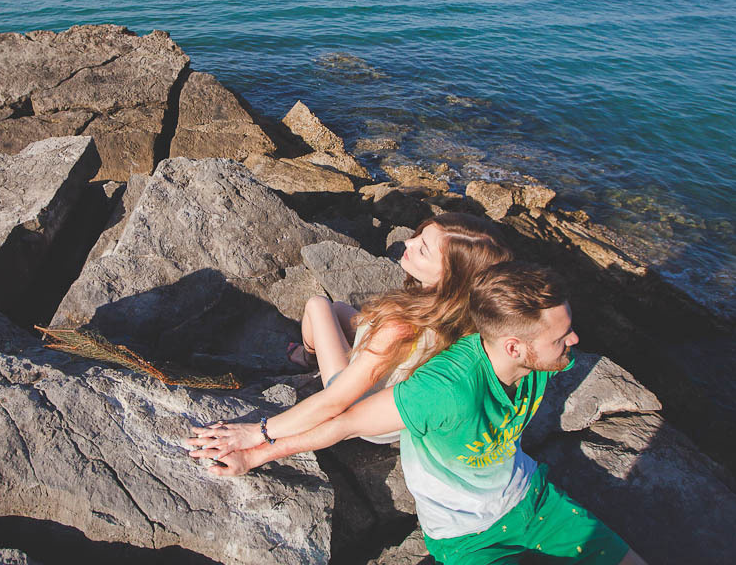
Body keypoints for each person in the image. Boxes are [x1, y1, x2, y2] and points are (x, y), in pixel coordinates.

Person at [188, 261, 648, 565]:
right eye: (562, 336)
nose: (575, 342)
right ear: (514, 346)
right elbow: (343, 421)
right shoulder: (443, 390)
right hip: (468, 539)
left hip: (532, 499)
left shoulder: (539, 359)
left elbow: (483, 272)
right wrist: (255, 450)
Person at [197, 213, 511, 456]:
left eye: (423, 250)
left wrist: (257, 432)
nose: (408, 243)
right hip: (398, 405)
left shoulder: (398, 327)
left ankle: (307, 357)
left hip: (363, 410)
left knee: (320, 306)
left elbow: (335, 403)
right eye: (418, 236)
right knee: (344, 311)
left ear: (450, 278)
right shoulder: (471, 320)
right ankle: (316, 350)